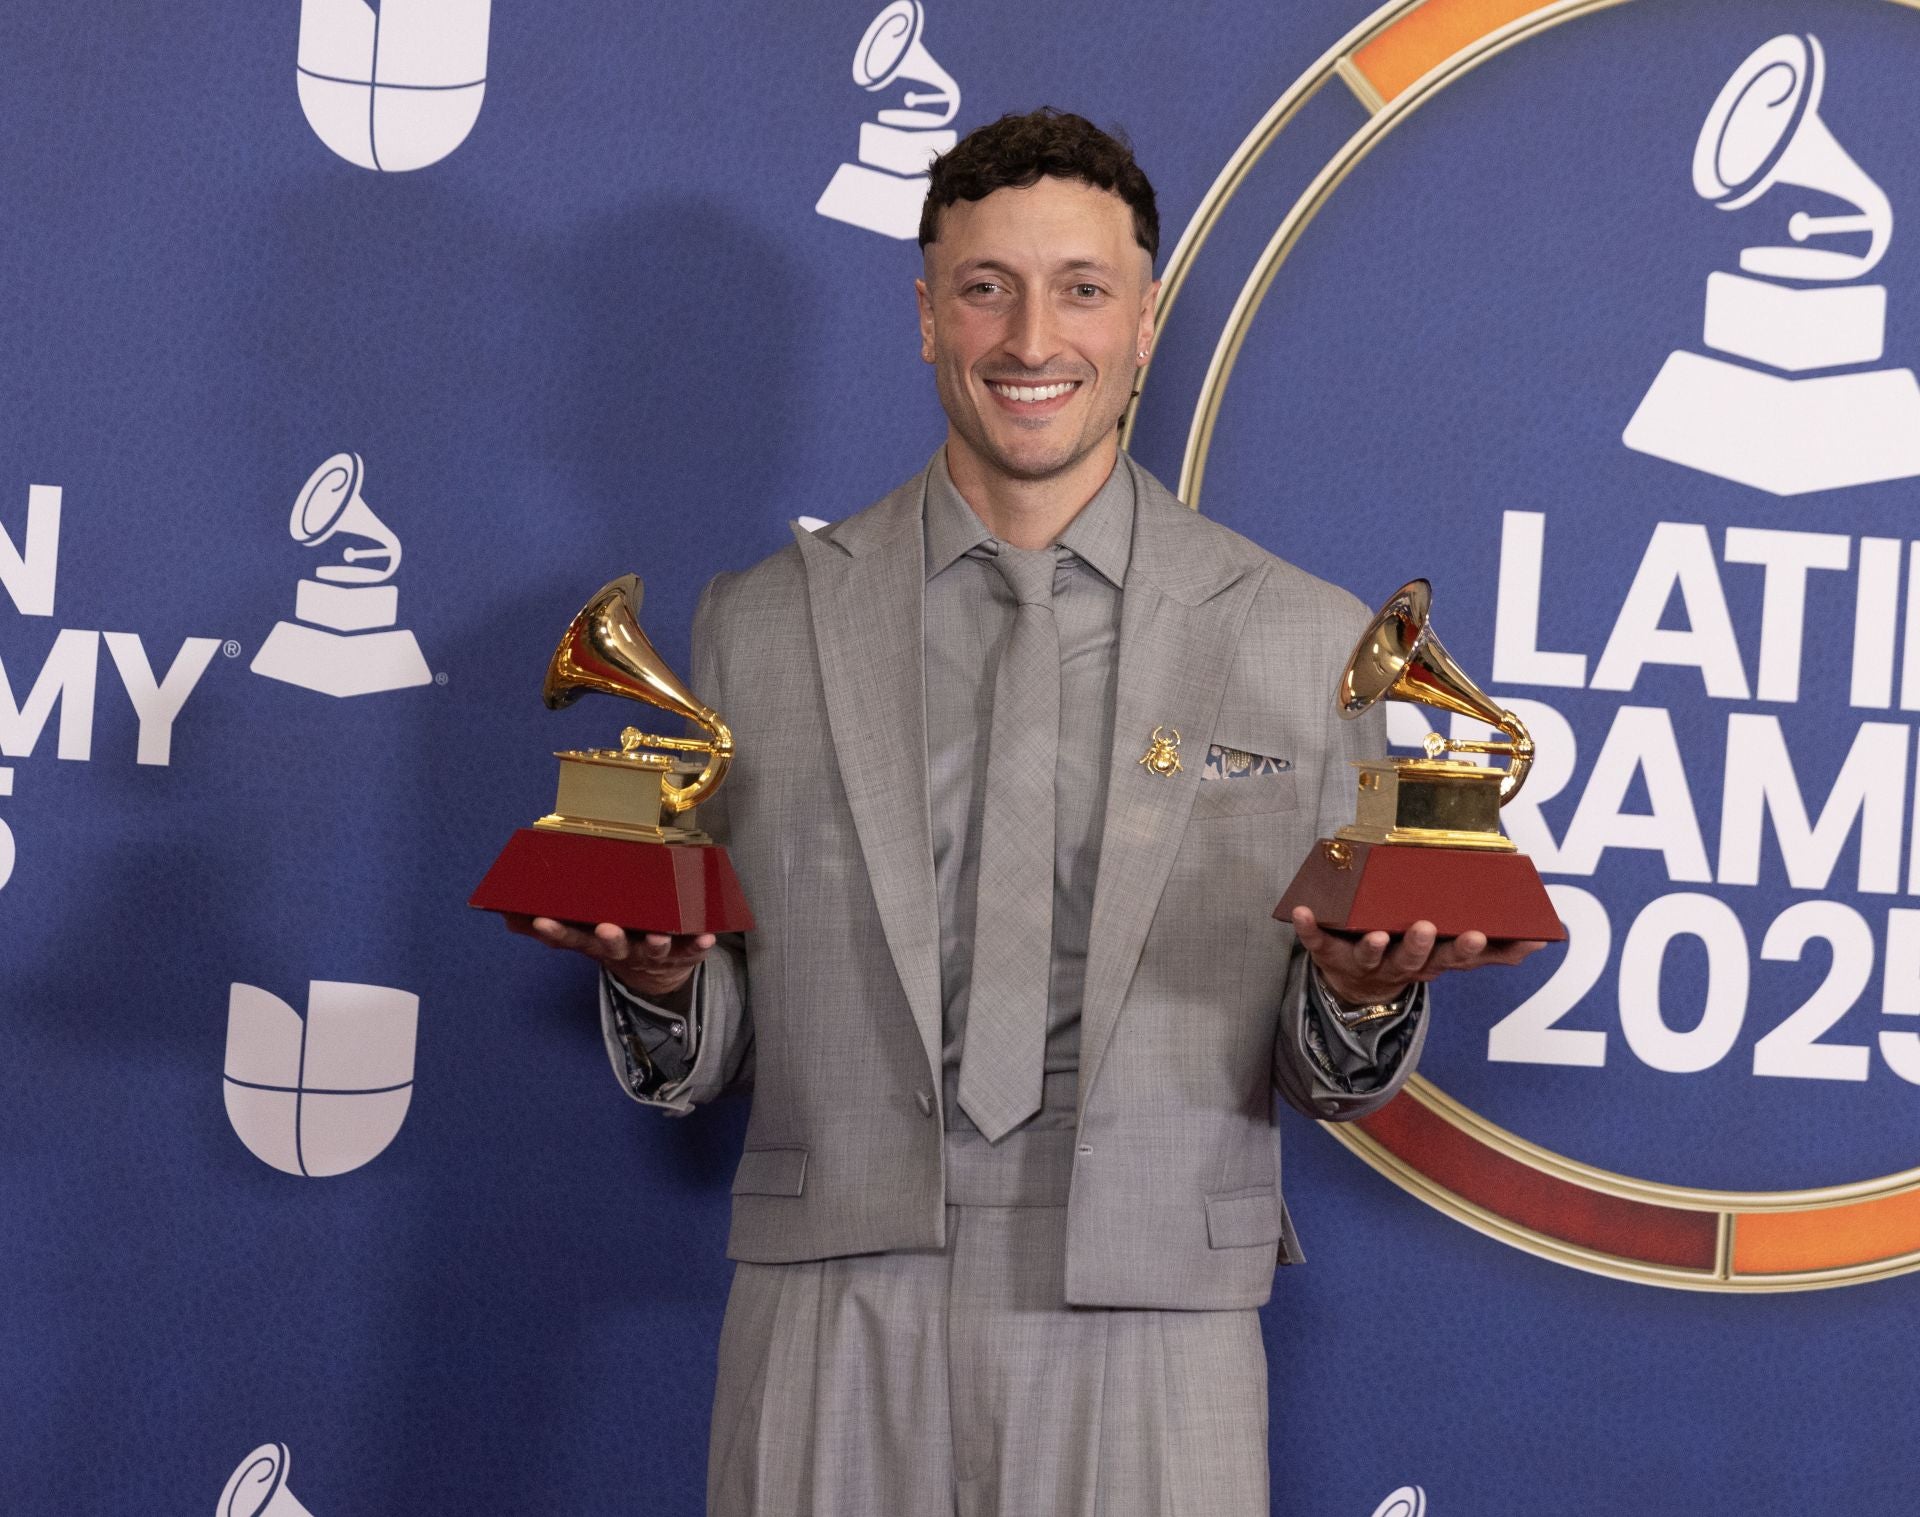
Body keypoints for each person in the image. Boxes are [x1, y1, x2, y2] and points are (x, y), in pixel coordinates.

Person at [509, 108, 1542, 1517]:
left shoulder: (1304, 639)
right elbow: (712, 1049)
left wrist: (1361, 1000)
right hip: (832, 1301)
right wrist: (660, 978)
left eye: (1082, 288)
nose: (1030, 337)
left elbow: (1329, 1064)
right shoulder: (758, 625)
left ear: (1144, 321)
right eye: (986, 286)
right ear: (926, 313)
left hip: (1157, 1313)